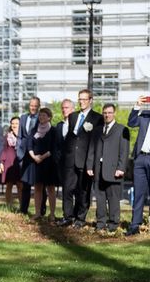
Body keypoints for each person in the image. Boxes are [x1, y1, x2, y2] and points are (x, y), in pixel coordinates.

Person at [59, 89, 104, 228]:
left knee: (83, 191)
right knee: (67, 189)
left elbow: (97, 141)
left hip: (85, 160)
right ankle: (67, 217)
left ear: (90, 100)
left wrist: (92, 162)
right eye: (80, 99)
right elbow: (70, 138)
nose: (81, 102)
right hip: (70, 159)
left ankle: (80, 218)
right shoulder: (72, 116)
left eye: (84, 99)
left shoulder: (97, 118)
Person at [87, 104, 129, 232]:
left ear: (114, 113)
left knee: (113, 198)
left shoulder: (122, 129)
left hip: (114, 170)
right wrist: (90, 165)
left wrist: (121, 168)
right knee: (100, 198)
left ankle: (113, 224)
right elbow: (92, 149)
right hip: (98, 169)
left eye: (109, 112)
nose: (107, 115)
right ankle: (101, 223)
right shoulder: (97, 130)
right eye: (105, 113)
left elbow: (124, 151)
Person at [21, 108, 57, 221]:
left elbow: (54, 147)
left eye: (44, 115)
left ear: (49, 117)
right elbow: (29, 145)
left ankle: (52, 214)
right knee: (37, 188)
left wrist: (43, 156)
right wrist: (34, 156)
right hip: (36, 163)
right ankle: (37, 213)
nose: (41, 117)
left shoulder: (54, 131)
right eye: (40, 115)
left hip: (48, 163)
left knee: (51, 189)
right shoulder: (33, 130)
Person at [125, 96, 150, 236]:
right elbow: (131, 122)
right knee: (139, 193)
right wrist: (137, 106)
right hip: (140, 158)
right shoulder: (145, 115)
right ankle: (135, 225)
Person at [18, 97, 42, 214]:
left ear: (39, 106)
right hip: (25, 155)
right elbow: (20, 136)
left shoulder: (41, 118)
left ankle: (41, 210)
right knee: (25, 184)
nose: (33, 108)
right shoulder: (23, 118)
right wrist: (19, 153)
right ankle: (23, 210)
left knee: (39, 184)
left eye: (35, 106)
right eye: (31, 105)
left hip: (37, 155)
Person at [0, 116, 22, 210]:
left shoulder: (23, 136)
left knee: (20, 185)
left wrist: (18, 135)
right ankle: (9, 205)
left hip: (19, 163)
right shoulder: (6, 136)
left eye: (16, 123)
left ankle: (22, 206)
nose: (14, 125)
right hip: (8, 163)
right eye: (13, 123)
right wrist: (1, 162)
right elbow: (3, 150)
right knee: (9, 185)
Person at [53, 99, 75, 194]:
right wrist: (57, 158)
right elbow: (56, 144)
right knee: (65, 190)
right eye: (62, 108)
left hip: (75, 163)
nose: (64, 110)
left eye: (66, 108)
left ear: (72, 109)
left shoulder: (77, 125)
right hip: (62, 164)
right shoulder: (59, 126)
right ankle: (67, 209)